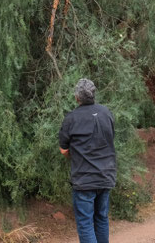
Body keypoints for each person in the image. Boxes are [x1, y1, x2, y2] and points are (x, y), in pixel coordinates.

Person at [59, 78, 116, 243]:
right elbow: (109, 139)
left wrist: (77, 156)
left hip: (84, 179)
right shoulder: (107, 113)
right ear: (93, 95)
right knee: (101, 218)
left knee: (85, 224)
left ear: (77, 97)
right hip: (106, 176)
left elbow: (64, 150)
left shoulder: (71, 118)